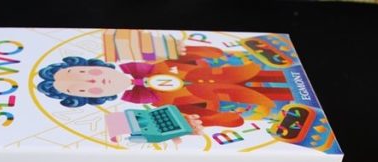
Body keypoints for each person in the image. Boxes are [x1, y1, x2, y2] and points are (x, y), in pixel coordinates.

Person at [36, 47, 294, 129]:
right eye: (83, 90)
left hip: (264, 66)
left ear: (96, 64)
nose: (95, 81)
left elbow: (212, 52)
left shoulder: (160, 60)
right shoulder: (161, 106)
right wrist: (198, 123)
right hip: (269, 103)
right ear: (94, 99)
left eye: (84, 73)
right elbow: (229, 120)